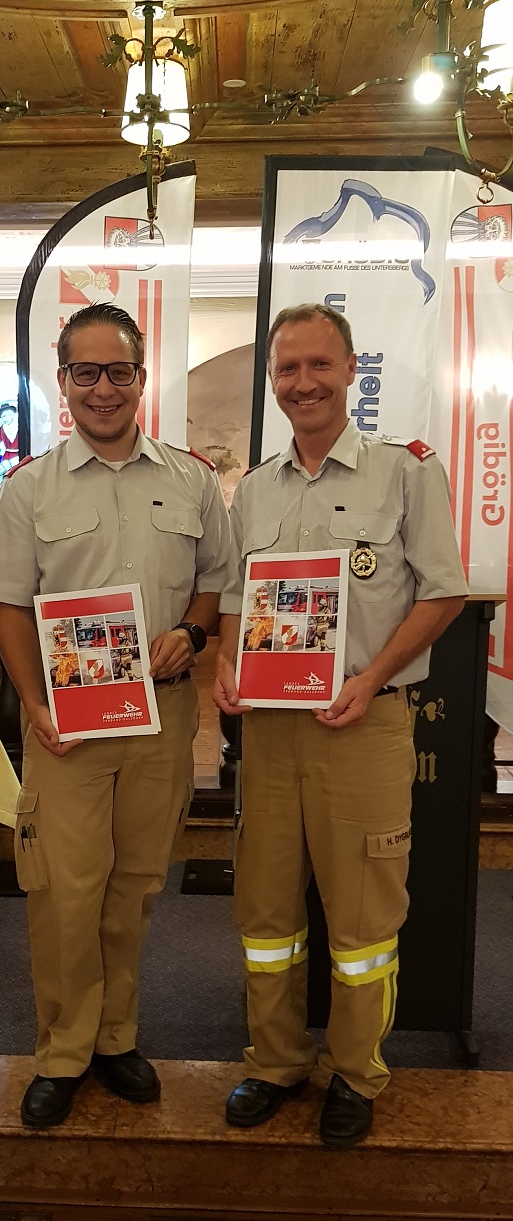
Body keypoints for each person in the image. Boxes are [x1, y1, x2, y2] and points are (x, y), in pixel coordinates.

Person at [214, 303, 467, 1149]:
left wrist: (370, 674)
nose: (303, 382)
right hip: (272, 730)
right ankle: (276, 1059)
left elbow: (442, 592)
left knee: (362, 917)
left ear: (352, 370)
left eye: (319, 364)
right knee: (265, 909)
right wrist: (227, 663)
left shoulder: (405, 473)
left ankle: (357, 1071)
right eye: (287, 368)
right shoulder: (257, 488)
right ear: (273, 380)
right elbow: (235, 597)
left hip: (362, 724)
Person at [0, 302, 230, 1128]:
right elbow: (9, 606)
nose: (103, 387)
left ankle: (116, 1036)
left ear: (141, 376)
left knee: (135, 884)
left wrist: (193, 633)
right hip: (70, 723)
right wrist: (33, 702)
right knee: (64, 890)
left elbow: (214, 582)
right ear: (62, 381)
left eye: (118, 370)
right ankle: (63, 1049)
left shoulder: (191, 480)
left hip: (161, 717)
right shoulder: (29, 488)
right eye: (85, 371)